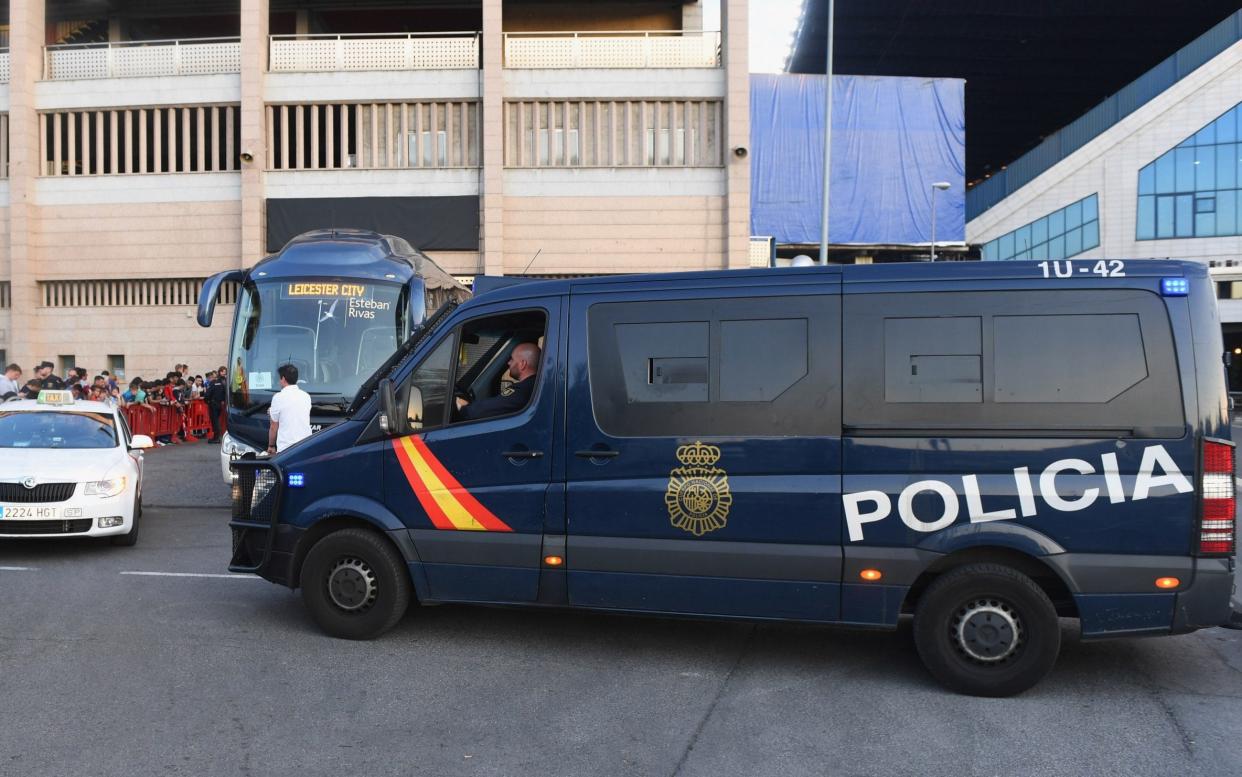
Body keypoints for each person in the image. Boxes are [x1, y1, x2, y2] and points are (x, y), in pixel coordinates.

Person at [455, 342, 541, 422]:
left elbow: (485, 410)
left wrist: (464, 407)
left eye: (512, 359)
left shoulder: (523, 391)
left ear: (522, 364)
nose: (509, 362)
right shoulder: (536, 385)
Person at [268, 363, 312, 454]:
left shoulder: (278, 397)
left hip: (286, 450)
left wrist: (271, 446)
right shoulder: (306, 396)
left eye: (279, 379)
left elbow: (273, 426)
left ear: (283, 379)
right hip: (306, 446)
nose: (279, 381)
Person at [205, 368, 226, 443]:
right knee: (217, 420)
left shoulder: (213, 382)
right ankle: (217, 437)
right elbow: (225, 392)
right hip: (219, 404)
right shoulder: (223, 382)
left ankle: (216, 438)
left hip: (213, 404)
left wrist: (206, 400)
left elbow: (208, 394)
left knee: (215, 421)